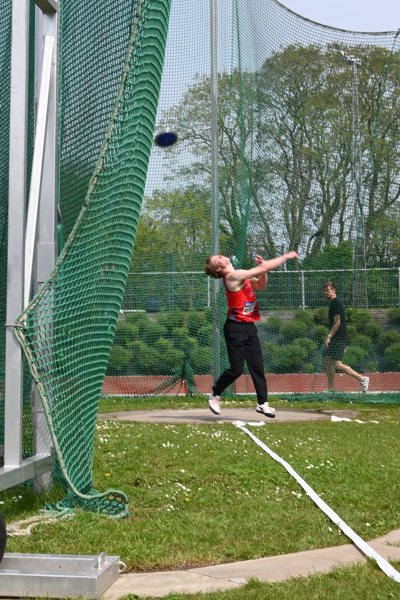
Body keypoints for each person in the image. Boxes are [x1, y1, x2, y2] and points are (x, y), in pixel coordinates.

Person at [204, 251, 299, 417]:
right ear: (218, 268)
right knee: (236, 370)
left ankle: (263, 404)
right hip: (235, 328)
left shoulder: (241, 275)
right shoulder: (232, 277)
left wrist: (263, 271)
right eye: (217, 258)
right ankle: (215, 394)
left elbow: (260, 285)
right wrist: (285, 257)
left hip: (248, 327)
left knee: (257, 367)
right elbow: (264, 266)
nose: (220, 256)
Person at [323, 281, 369, 393]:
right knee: (327, 361)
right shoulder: (333, 303)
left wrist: (329, 336)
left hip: (338, 337)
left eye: (328, 290)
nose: (326, 293)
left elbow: (337, 322)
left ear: (334, 290)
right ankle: (330, 389)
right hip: (337, 338)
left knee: (337, 364)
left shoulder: (336, 303)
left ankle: (362, 379)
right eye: (325, 291)